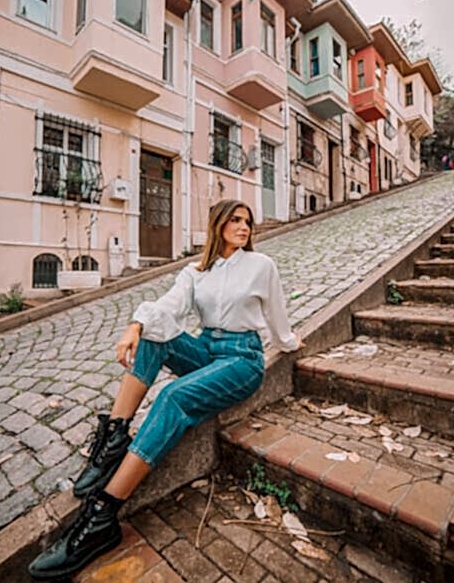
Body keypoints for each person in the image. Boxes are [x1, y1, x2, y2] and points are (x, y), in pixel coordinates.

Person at [28, 199, 301, 580]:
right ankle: (114, 439)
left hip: (242, 359)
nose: (244, 227)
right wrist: (135, 326)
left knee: (173, 396)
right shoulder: (196, 272)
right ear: (218, 224)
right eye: (236, 220)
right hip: (206, 350)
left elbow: (277, 316)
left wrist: (289, 343)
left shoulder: (260, 265)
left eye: (248, 222)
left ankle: (103, 514)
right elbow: (168, 306)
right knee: (154, 334)